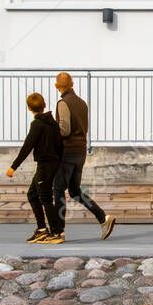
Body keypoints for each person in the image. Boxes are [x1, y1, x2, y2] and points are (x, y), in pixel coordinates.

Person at [49, 71, 116, 242]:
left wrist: (51, 131)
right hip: (80, 152)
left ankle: (59, 231)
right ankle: (103, 218)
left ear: (58, 86)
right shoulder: (82, 103)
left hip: (67, 152)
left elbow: (65, 129)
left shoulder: (63, 102)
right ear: (71, 84)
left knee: (58, 190)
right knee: (75, 191)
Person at [6, 92, 64, 244]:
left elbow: (27, 147)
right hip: (51, 164)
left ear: (29, 108)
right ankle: (42, 229)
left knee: (45, 198)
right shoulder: (53, 123)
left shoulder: (37, 125)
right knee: (32, 194)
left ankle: (56, 233)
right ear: (44, 105)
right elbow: (60, 146)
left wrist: (13, 167)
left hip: (46, 165)